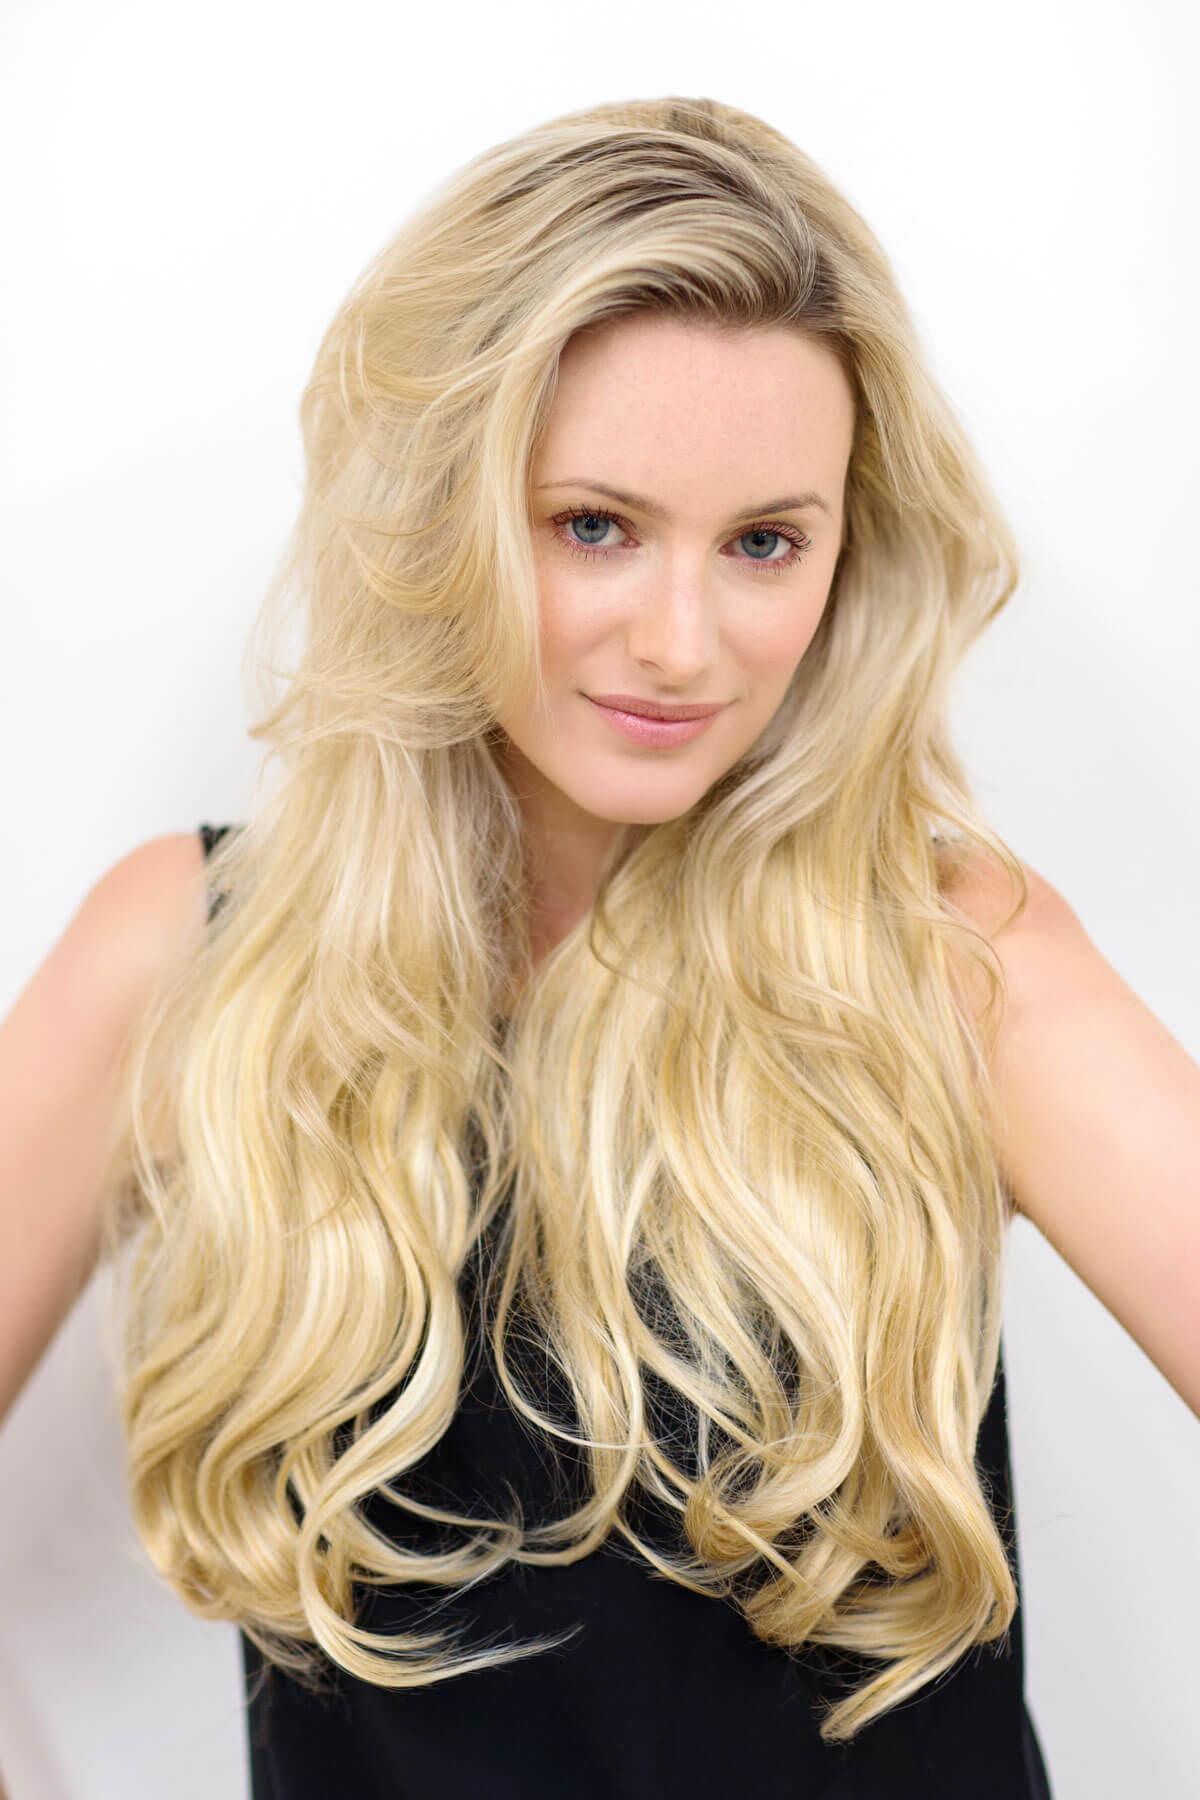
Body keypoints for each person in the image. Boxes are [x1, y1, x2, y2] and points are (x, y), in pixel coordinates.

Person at [3, 94, 1197, 1799]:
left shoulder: (945, 962)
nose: (685, 644)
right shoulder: (189, 951)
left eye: (766, 544)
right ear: (440, 510)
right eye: (595, 528)